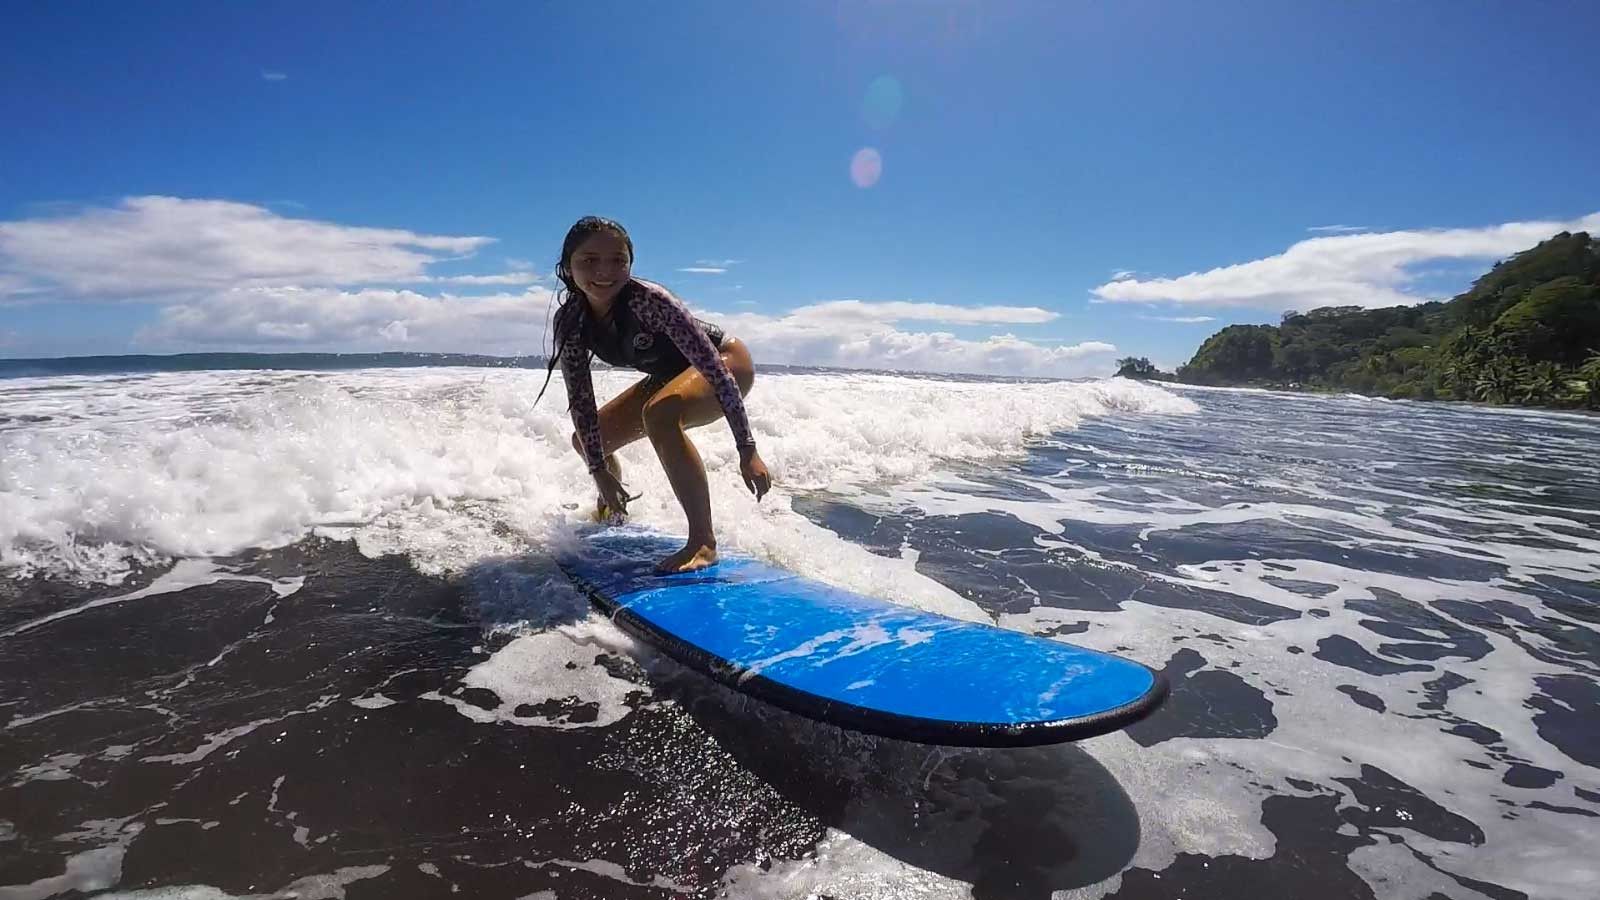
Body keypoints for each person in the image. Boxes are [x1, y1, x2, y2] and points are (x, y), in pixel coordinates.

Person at [535, 216, 772, 573]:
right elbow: (581, 399)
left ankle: (703, 543)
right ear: (568, 266)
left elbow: (715, 371)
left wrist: (747, 448)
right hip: (670, 374)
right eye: (589, 260)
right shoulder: (571, 321)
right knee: (587, 441)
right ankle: (612, 505)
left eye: (618, 260)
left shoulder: (650, 302)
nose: (605, 271)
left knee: (660, 414)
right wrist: (598, 471)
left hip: (727, 364)